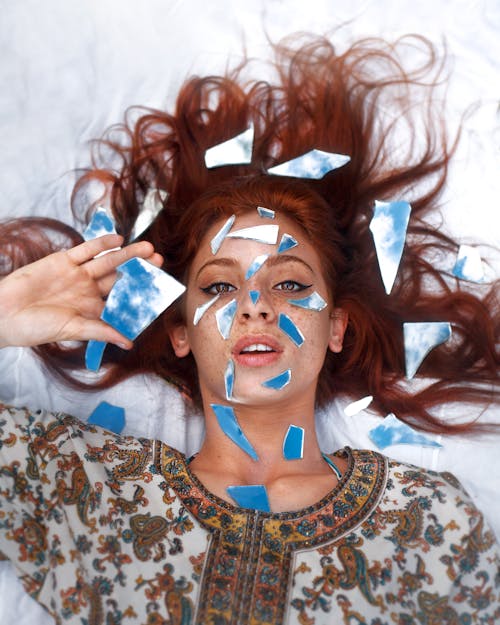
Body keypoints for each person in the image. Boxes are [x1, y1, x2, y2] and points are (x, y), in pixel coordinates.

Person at [0, 34, 498, 624]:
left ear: (335, 327)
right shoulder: (83, 485)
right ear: (181, 334)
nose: (254, 306)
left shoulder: (428, 518)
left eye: (289, 284)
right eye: (218, 287)